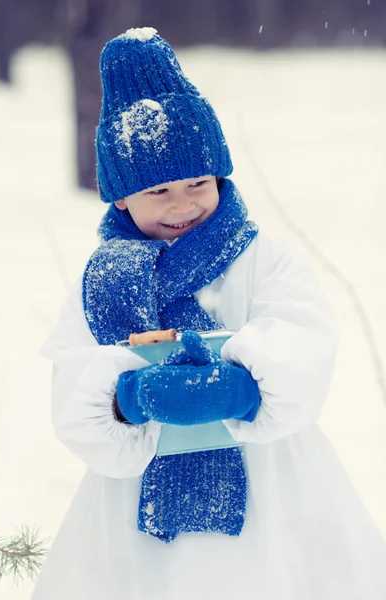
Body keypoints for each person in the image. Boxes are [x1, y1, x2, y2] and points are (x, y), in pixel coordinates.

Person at [32, 27, 386, 600]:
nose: (182, 204)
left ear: (220, 176)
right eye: (158, 191)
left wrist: (241, 391)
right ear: (120, 197)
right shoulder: (102, 283)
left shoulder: (257, 257)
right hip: (136, 503)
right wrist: (127, 399)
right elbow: (73, 376)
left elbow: (303, 332)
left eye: (197, 182)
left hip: (273, 483)